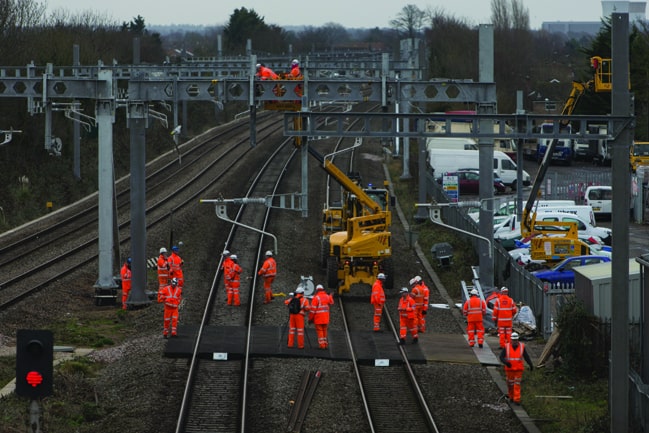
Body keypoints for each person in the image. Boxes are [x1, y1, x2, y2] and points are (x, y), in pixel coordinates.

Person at [499, 332, 534, 405]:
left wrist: (530, 364)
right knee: (510, 384)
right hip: (510, 369)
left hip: (518, 369)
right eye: (513, 340)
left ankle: (517, 399)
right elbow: (501, 357)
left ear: (518, 340)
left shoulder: (522, 347)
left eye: (516, 340)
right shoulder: (507, 347)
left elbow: (526, 356)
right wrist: (506, 362)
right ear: (511, 340)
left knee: (517, 384)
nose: (515, 342)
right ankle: (511, 397)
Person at [309, 284, 334, 349]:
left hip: (318, 318)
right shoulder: (327, 296)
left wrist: (310, 319)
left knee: (320, 331)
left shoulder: (316, 298)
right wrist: (331, 296)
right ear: (323, 289)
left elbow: (312, 310)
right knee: (324, 330)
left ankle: (322, 345)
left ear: (316, 290)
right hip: (326, 318)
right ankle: (325, 344)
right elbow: (331, 302)